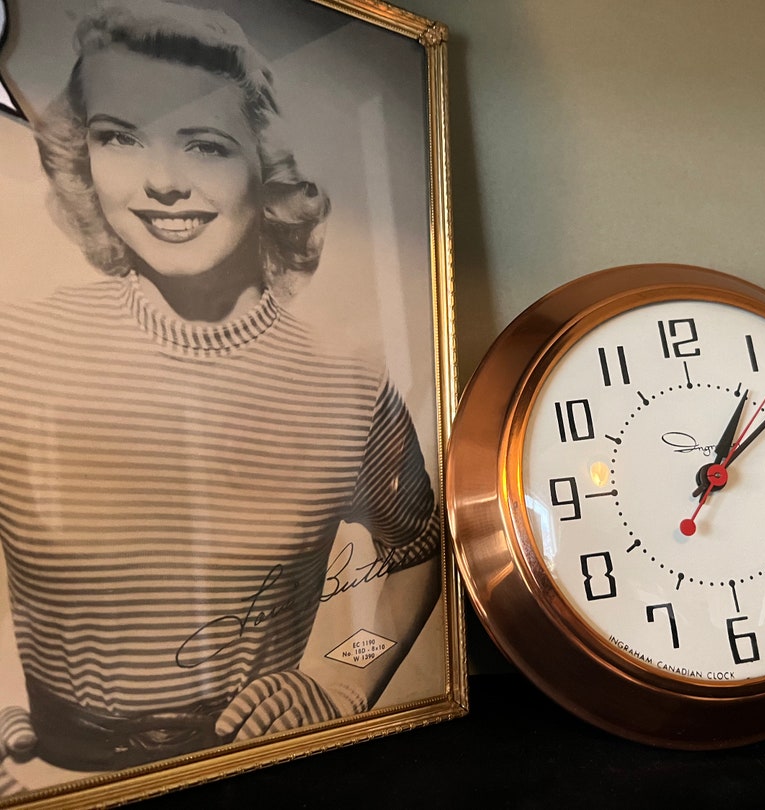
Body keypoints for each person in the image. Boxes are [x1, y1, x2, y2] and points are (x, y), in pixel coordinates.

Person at [0, 0, 441, 772]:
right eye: (118, 137)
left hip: (261, 773)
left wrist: (342, 680)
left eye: (203, 145)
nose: (161, 182)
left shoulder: (348, 383)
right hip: (52, 779)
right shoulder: (18, 350)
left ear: (263, 168)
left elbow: (415, 553)